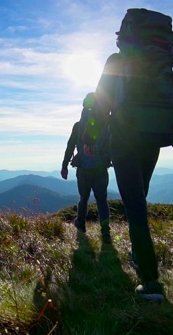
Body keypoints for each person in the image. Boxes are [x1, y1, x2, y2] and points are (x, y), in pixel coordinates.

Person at [83, 52, 173, 301]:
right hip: (153, 140)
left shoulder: (117, 61)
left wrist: (90, 138)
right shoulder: (162, 69)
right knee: (139, 199)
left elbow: (101, 102)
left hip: (124, 139)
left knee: (135, 206)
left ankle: (150, 282)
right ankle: (139, 255)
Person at [61, 93, 112, 242]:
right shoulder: (106, 125)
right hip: (101, 169)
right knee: (102, 200)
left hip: (83, 169)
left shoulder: (78, 126)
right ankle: (105, 233)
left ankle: (81, 225)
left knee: (83, 198)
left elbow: (70, 146)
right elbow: (112, 146)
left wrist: (64, 166)